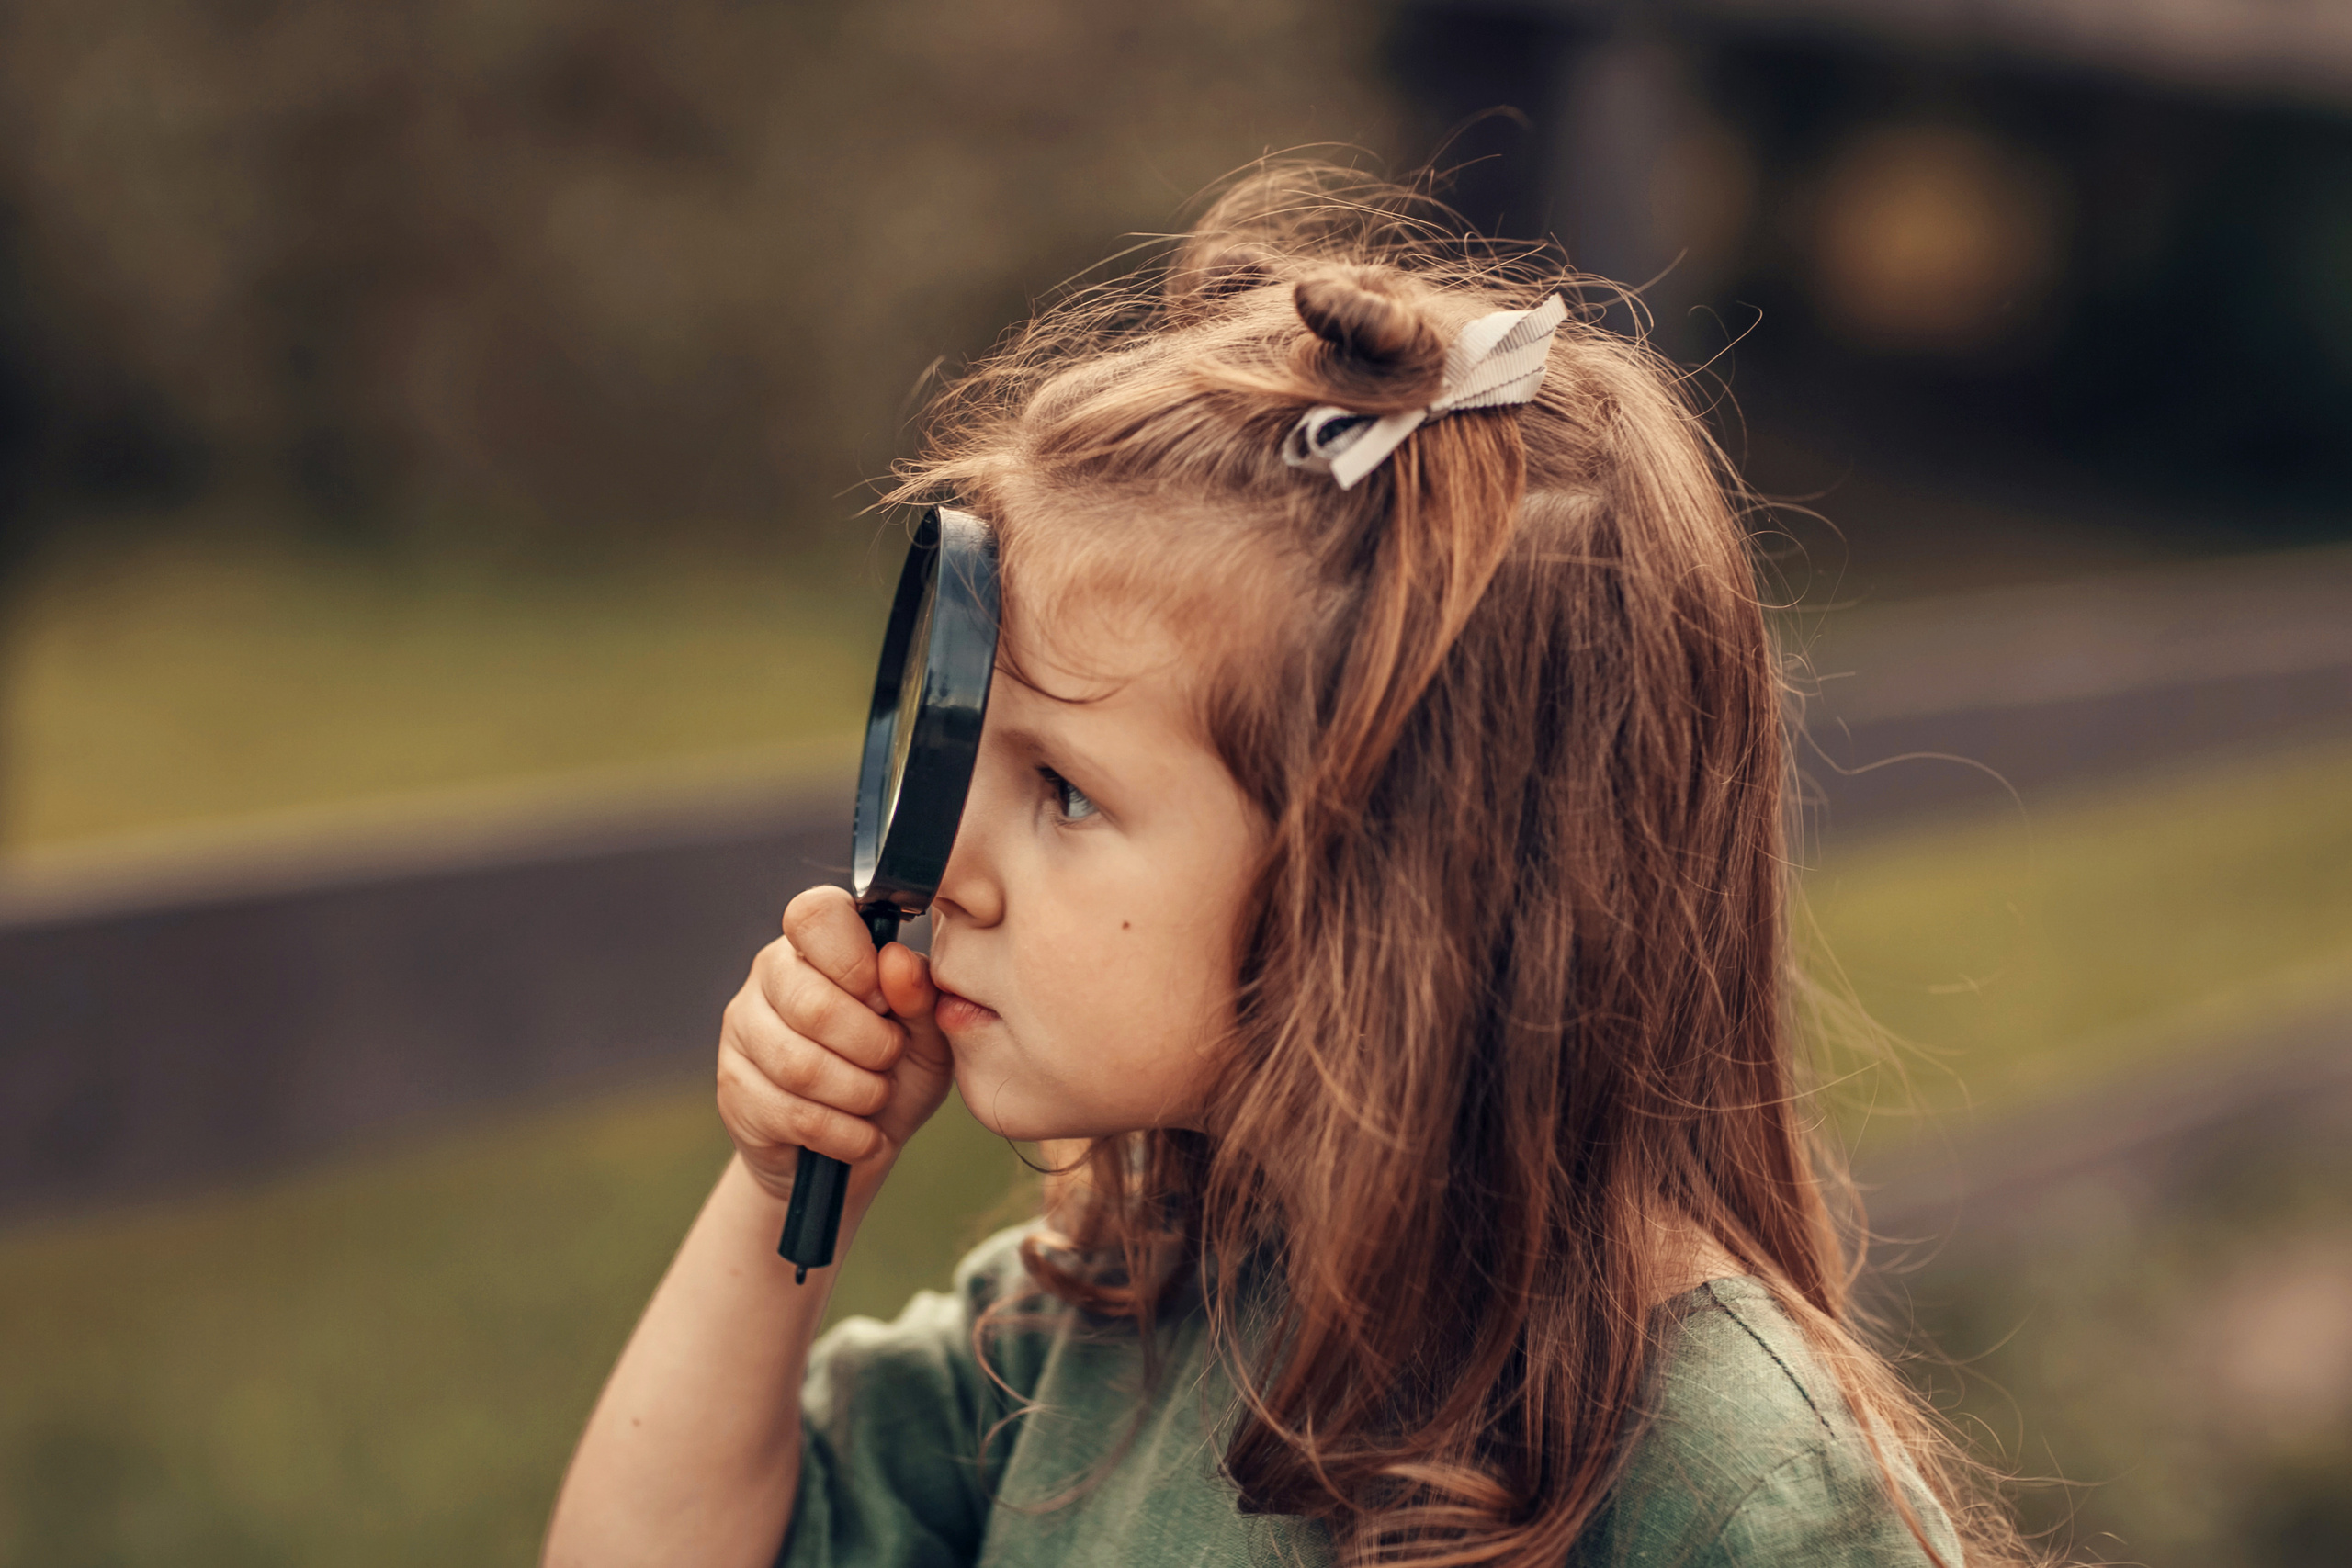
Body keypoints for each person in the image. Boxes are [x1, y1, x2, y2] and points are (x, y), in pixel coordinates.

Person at [545, 165, 2041, 1568]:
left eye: (1062, 793)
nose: (952, 875)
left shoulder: (1733, 1485)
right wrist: (792, 1192)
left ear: (1390, 891)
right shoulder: (1114, 1318)